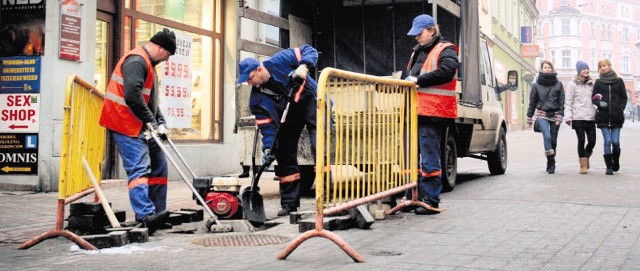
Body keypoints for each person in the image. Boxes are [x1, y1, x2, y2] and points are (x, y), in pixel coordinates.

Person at [99, 28, 176, 234]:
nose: (166, 60)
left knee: (159, 165)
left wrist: (160, 122)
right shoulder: (137, 61)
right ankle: (145, 215)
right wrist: (152, 121)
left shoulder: (149, 64)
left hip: (140, 123)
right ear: (160, 47)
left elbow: (149, 99)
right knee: (139, 169)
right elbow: (133, 96)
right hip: (124, 123)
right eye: (167, 55)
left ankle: (158, 213)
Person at [237, 45, 318, 216]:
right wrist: (268, 148)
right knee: (283, 154)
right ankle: (289, 204)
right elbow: (267, 128)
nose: (249, 83)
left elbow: (308, 50)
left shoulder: (281, 60)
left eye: (250, 78)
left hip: (310, 101)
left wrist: (303, 67)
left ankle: (323, 199)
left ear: (259, 70)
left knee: (319, 145)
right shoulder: (256, 100)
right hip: (289, 116)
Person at [402, 14, 459, 215]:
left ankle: (430, 200)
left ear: (432, 31)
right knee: (410, 158)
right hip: (415, 112)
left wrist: (418, 80)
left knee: (429, 157)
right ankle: (412, 198)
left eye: (419, 33)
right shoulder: (417, 51)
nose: (416, 38)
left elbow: (447, 71)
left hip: (433, 112)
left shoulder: (446, 49)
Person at [527, 60, 565, 174]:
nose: (547, 69)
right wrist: (529, 117)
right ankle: (551, 161)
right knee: (547, 137)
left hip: (555, 115)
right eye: (545, 67)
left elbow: (562, 101)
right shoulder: (536, 85)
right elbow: (532, 102)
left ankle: (549, 160)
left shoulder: (558, 84)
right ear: (541, 69)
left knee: (553, 141)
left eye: (549, 67)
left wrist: (560, 116)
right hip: (542, 115)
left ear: (552, 69)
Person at [592, 59, 627, 175]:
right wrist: (598, 103)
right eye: (601, 66)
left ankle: (615, 160)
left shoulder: (619, 81)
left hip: (616, 117)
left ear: (609, 66)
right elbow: (594, 98)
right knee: (607, 141)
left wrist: (620, 108)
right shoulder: (598, 82)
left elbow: (624, 97)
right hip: (603, 116)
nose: (603, 67)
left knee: (615, 142)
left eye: (605, 65)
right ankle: (609, 166)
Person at [564, 61, 596, 174]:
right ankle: (583, 166)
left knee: (592, 141)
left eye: (587, 68)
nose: (586, 70)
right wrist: (568, 116)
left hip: (591, 116)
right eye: (583, 69)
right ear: (579, 71)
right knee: (581, 140)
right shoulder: (572, 84)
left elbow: (596, 99)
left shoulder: (592, 84)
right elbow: (568, 101)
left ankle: (586, 157)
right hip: (578, 117)